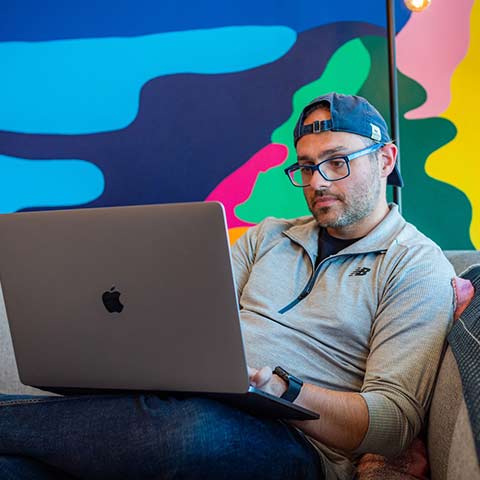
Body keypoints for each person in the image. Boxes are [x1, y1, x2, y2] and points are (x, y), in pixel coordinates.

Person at [0, 93, 454, 480]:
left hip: (294, 443)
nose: (316, 182)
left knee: (191, 432)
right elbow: (188, 320)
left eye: (337, 162)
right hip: (191, 401)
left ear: (386, 159)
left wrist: (285, 390)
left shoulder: (415, 266)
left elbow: (391, 423)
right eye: (306, 167)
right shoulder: (268, 236)